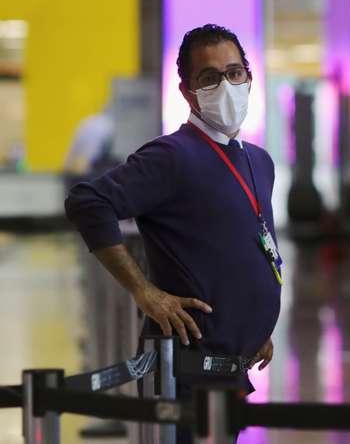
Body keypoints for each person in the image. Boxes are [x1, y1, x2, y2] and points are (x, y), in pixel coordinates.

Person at [65, 24, 281, 443]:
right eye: (210, 77)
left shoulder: (259, 161)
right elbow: (88, 202)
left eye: (235, 72)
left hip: (233, 365)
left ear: (250, 78)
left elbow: (246, 245)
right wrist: (145, 291)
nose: (227, 84)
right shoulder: (171, 157)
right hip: (184, 369)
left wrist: (255, 325)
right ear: (187, 91)